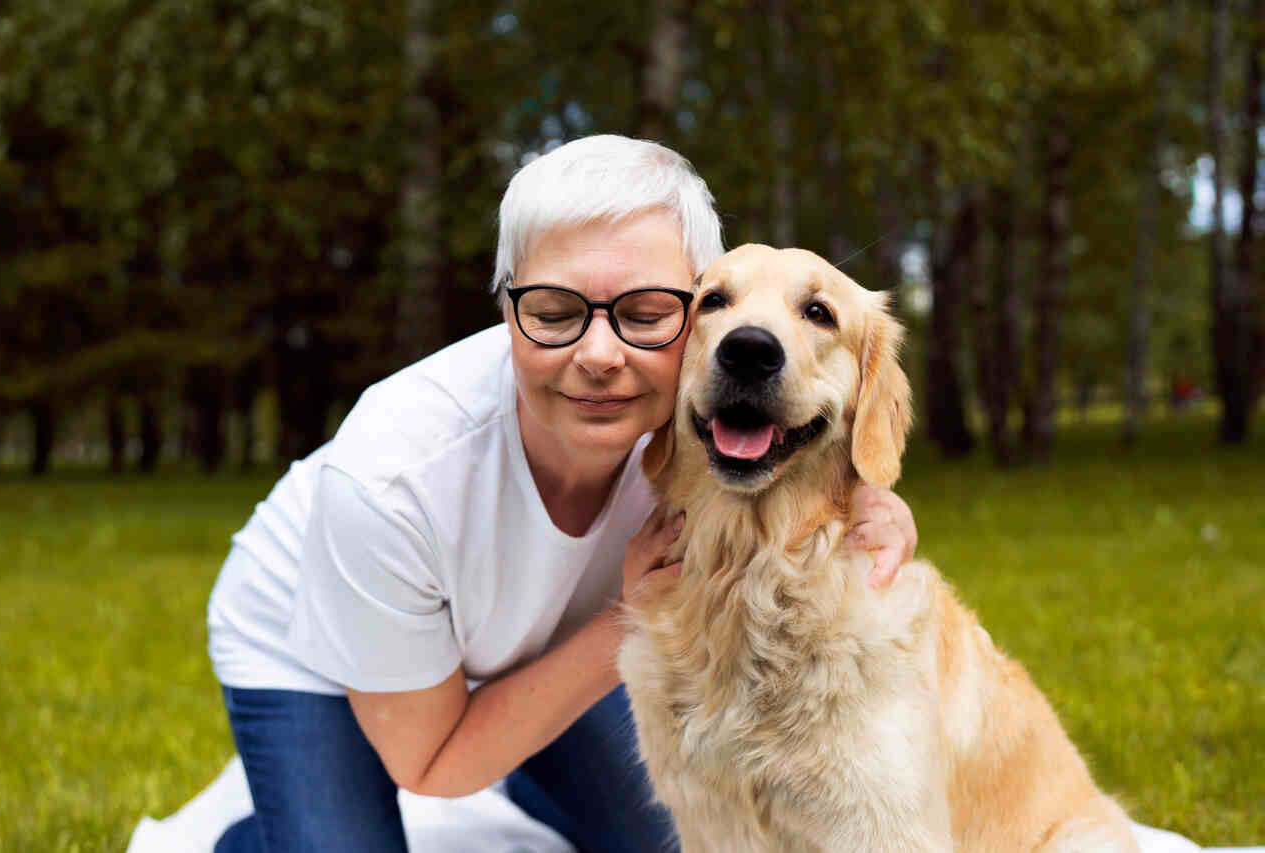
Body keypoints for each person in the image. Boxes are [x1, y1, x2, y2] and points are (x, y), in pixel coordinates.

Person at [205, 134, 919, 853]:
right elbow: (431, 765)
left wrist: (876, 507)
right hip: (314, 646)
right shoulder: (388, 477)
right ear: (506, 307)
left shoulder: (697, 417)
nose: (601, 356)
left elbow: (808, 442)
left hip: (545, 636)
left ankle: (530, 769)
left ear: (698, 314)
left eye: (644, 312)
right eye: (553, 311)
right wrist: (625, 617)